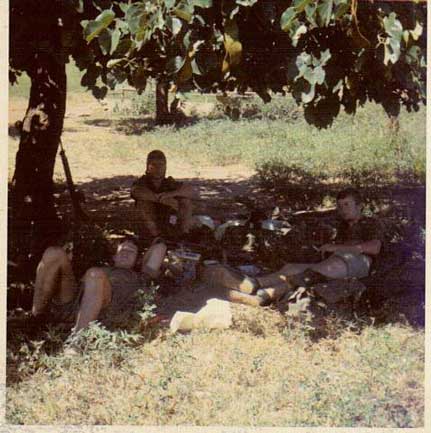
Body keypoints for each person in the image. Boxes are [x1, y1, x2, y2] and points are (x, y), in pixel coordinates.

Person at [215, 188, 383, 305]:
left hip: (359, 262)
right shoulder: (343, 226)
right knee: (291, 267)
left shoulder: (371, 223)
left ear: (359, 206)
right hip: (338, 261)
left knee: (311, 273)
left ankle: (264, 296)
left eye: (347, 205)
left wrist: (337, 248)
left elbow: (374, 248)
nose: (342, 209)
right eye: (340, 205)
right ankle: (254, 284)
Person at [30, 237, 167, 332]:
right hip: (74, 302)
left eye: (131, 252)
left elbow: (160, 247)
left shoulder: (141, 275)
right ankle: (35, 319)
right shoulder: (101, 269)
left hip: (104, 309)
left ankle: (78, 340)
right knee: (54, 252)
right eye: (122, 250)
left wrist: (145, 254)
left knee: (94, 274)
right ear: (114, 256)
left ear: (138, 260)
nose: (125, 254)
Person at [131, 150, 198, 243]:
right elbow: (136, 191)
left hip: (167, 218)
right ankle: (156, 237)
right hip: (149, 223)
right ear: (147, 167)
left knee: (185, 201)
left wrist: (171, 194)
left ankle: (184, 235)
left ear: (165, 167)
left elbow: (192, 191)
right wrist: (160, 199)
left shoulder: (169, 182)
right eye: (154, 165)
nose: (158, 168)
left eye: (161, 165)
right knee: (143, 203)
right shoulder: (143, 181)